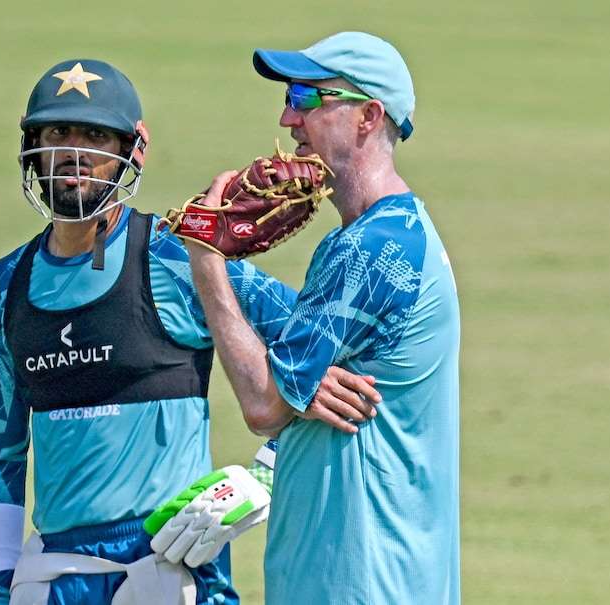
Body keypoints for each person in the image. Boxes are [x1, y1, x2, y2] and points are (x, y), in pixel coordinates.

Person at [0, 58, 382, 605]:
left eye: (95, 136)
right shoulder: (8, 283)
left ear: (131, 151)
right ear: (31, 144)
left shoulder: (175, 255)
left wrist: (266, 475)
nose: (75, 152)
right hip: (56, 579)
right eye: (57, 132)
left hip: (174, 567)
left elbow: (327, 350)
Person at [181, 32, 460, 604]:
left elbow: (263, 405)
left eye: (308, 97)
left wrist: (207, 259)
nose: (288, 118)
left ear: (368, 117)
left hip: (362, 582)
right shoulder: (385, 237)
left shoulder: (373, 248)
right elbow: (304, 351)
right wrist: (298, 382)